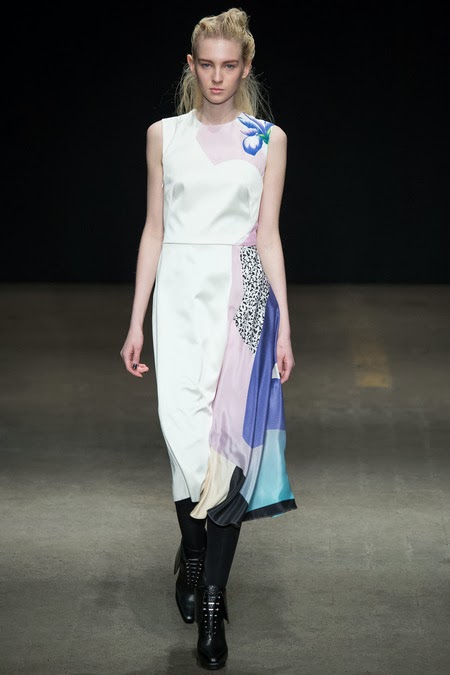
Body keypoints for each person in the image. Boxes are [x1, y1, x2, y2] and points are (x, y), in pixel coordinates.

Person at [120, 7, 297, 670]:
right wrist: (136, 319)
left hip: (243, 296)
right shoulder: (163, 136)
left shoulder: (268, 141)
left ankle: (213, 599)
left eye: (229, 65)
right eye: (207, 65)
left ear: (245, 67)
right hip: (178, 296)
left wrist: (285, 322)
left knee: (228, 452)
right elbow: (154, 228)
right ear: (191, 66)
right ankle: (192, 552)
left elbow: (269, 235)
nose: (217, 77)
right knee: (184, 440)